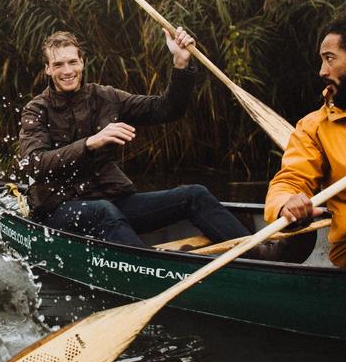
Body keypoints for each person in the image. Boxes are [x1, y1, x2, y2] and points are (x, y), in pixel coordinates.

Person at [18, 28, 254, 248]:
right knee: (103, 212)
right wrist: (90, 143)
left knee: (195, 194)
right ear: (48, 68)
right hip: (58, 210)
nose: (67, 71)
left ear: (82, 62)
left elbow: (167, 109)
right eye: (58, 64)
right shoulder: (36, 109)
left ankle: (254, 255)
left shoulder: (106, 97)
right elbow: (34, 164)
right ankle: (153, 272)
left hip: (113, 201)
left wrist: (181, 63)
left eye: (72, 62)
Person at [265, 20, 346, 268]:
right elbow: (290, 180)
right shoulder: (314, 128)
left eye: (330, 58)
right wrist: (285, 203)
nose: (322, 71)